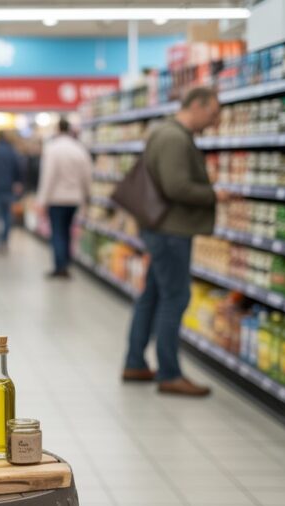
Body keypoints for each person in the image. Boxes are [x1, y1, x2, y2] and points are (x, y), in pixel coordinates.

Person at [122, 86, 227, 397]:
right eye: (213, 112)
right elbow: (176, 186)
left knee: (152, 295)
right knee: (175, 298)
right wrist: (214, 194)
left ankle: (135, 363)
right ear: (196, 105)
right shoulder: (173, 137)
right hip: (171, 231)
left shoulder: (168, 133)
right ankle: (169, 373)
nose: (216, 119)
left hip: (163, 229)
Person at [36, 118, 92, 278]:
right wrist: (87, 196)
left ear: (57, 129)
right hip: (75, 198)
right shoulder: (79, 149)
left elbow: (48, 177)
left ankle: (60, 267)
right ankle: (67, 262)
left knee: (57, 232)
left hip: (56, 199)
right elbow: (87, 175)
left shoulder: (52, 149)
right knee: (68, 231)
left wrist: (42, 200)